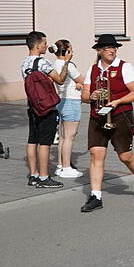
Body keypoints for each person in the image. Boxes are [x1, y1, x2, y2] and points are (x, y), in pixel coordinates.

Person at [80, 34, 134, 212]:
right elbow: (84, 96)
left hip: (120, 115)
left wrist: (117, 101)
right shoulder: (93, 69)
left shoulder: (125, 67)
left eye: (114, 48)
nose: (112, 50)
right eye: (108, 48)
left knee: (125, 156)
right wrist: (91, 97)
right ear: (99, 51)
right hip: (98, 115)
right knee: (96, 154)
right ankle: (96, 196)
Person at [21, 31, 68, 188]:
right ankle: (44, 177)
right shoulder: (43, 63)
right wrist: (66, 62)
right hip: (46, 108)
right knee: (45, 143)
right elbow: (60, 80)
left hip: (33, 106)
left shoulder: (24, 63)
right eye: (44, 43)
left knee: (32, 140)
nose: (47, 46)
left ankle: (33, 175)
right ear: (37, 45)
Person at [49, 40, 84, 178]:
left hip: (62, 101)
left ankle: (60, 165)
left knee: (63, 136)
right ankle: (66, 167)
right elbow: (81, 79)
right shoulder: (67, 65)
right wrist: (81, 84)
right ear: (67, 52)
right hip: (72, 101)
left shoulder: (55, 64)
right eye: (71, 49)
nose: (73, 52)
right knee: (70, 136)